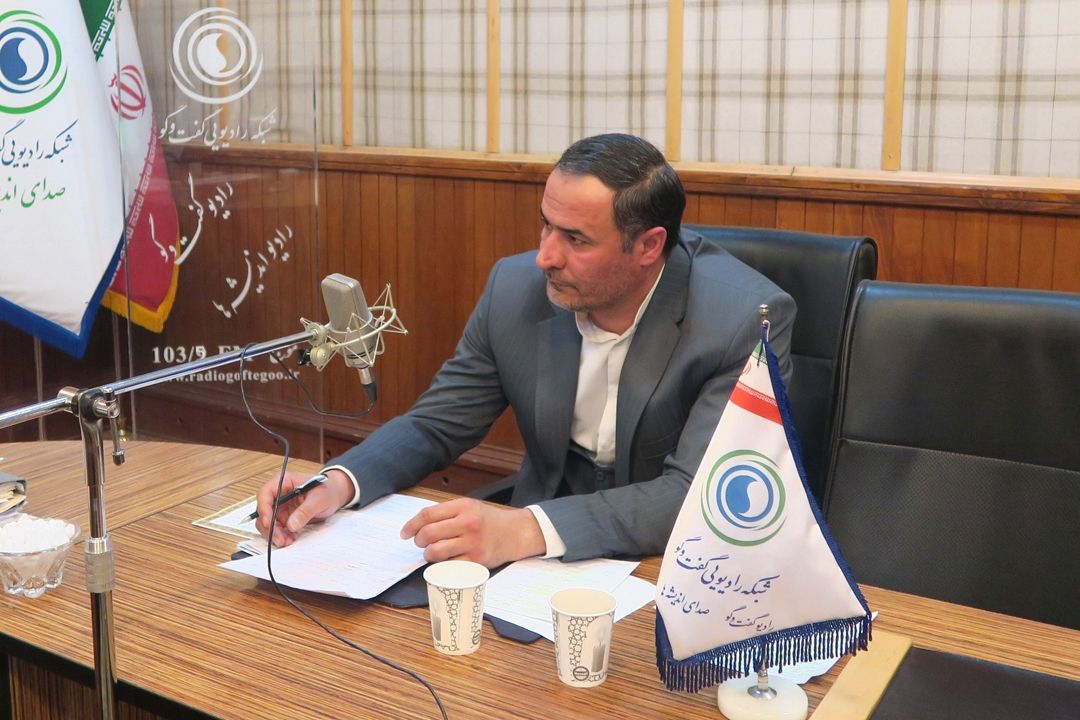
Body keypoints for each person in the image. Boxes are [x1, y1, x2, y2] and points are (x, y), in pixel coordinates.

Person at [255, 133, 795, 568]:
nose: (545, 258)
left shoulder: (743, 320)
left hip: (677, 567)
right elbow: (438, 424)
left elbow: (696, 494)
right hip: (535, 570)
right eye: (546, 226)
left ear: (649, 246)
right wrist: (337, 483)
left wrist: (525, 529)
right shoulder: (515, 288)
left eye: (576, 239)